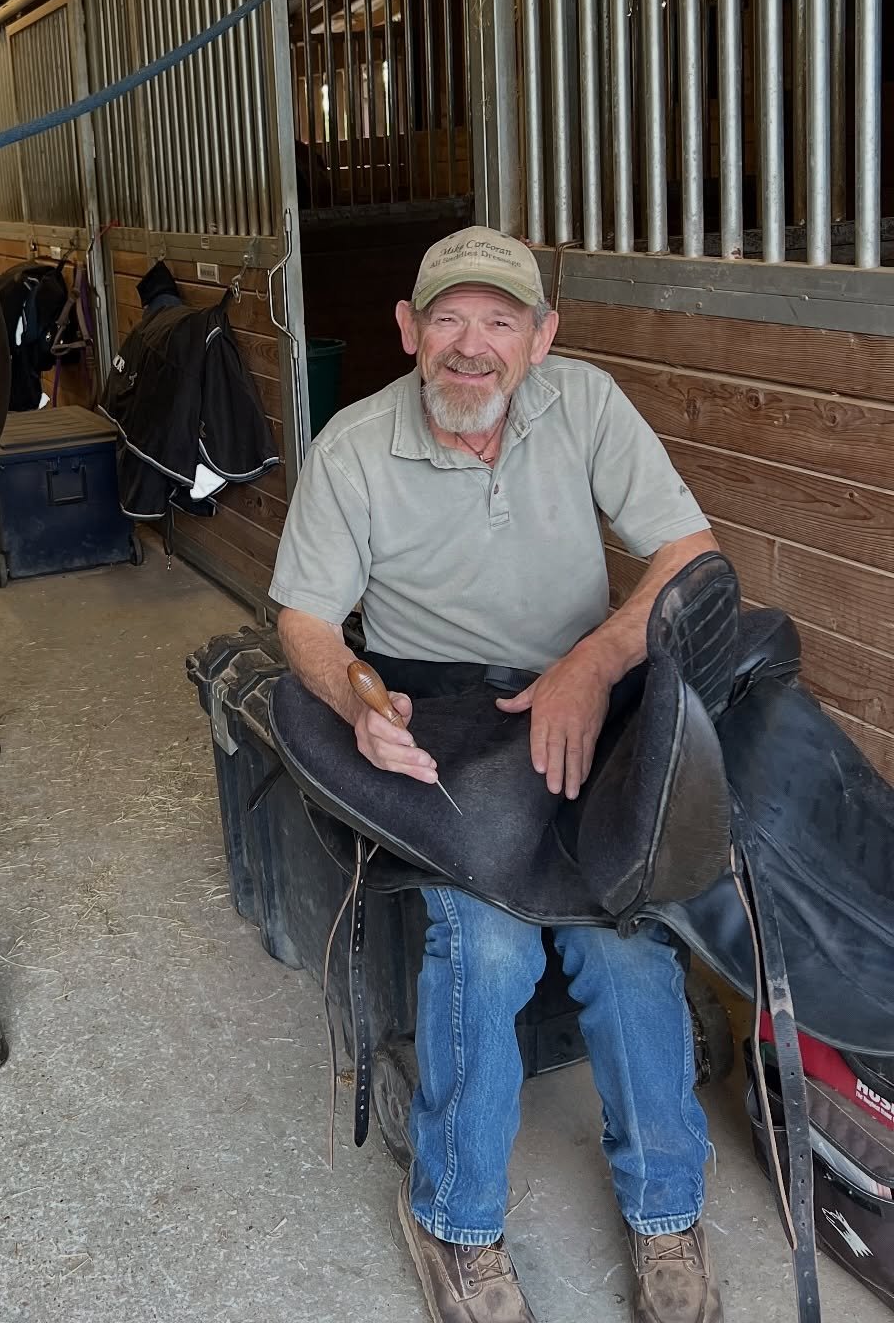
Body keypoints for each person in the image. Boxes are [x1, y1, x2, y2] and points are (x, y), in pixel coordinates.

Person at [270, 225, 722, 1323]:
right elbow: (306, 623)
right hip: (447, 721)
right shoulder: (355, 446)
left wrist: (591, 664)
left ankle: (667, 1212)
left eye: (500, 321)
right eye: (448, 319)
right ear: (408, 331)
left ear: (541, 338)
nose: (471, 347)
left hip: (580, 699)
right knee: (490, 941)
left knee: (627, 937)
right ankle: (452, 1220)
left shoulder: (586, 404)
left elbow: (689, 554)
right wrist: (361, 703)